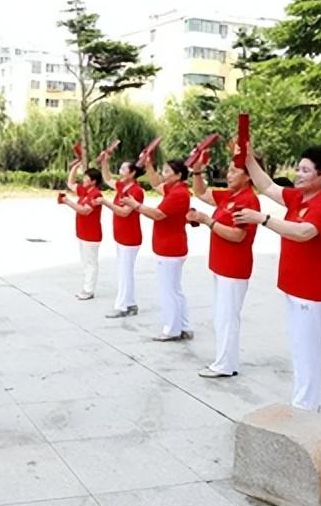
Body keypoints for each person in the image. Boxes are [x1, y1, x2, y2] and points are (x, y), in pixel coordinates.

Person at [235, 145, 321, 411]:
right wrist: (248, 159)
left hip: (313, 289)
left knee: (308, 349)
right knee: (298, 346)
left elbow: (303, 232)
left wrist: (262, 218)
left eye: (305, 170)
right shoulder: (298, 198)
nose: (298, 174)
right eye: (298, 168)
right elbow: (268, 186)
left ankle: (306, 405)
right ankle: (303, 400)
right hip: (294, 286)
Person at [187, 145, 260, 377]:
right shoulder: (229, 195)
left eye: (234, 171)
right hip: (221, 266)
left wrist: (207, 221)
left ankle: (225, 365)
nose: (228, 175)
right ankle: (225, 361)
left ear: (248, 175)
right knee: (221, 315)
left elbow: (238, 235)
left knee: (227, 317)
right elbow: (201, 193)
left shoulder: (248, 200)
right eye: (228, 170)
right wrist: (197, 172)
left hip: (234, 267)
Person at [130, 158, 194, 341]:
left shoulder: (179, 194)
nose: (164, 174)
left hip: (170, 248)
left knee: (169, 291)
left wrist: (136, 206)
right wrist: (150, 164)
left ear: (178, 175)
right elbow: (156, 183)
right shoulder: (174, 189)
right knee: (175, 289)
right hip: (171, 247)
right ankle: (183, 325)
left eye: (167, 171)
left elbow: (158, 215)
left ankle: (172, 329)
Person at [98, 154, 145, 318]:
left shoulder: (136, 191)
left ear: (132, 173)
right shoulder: (122, 187)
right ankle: (131, 304)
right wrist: (105, 161)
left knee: (125, 272)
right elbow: (107, 178)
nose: (120, 171)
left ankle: (123, 306)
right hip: (121, 236)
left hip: (130, 237)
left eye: (123, 168)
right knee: (125, 271)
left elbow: (125, 212)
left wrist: (106, 203)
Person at [61, 161, 105, 301]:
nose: (83, 180)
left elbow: (85, 211)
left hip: (91, 235)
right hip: (82, 233)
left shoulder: (96, 195)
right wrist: (75, 167)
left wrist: (68, 202)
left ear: (94, 181)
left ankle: (88, 290)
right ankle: (86, 287)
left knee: (91, 263)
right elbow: (71, 183)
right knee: (86, 262)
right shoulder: (85, 191)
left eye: (86, 178)